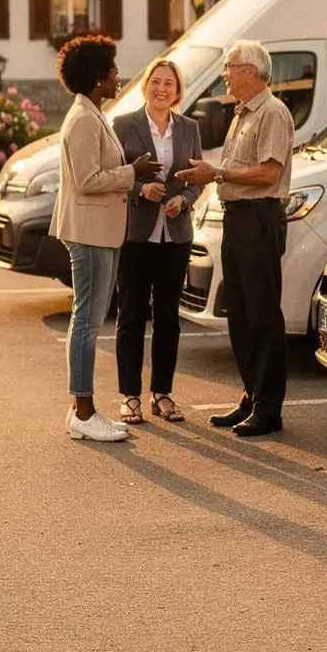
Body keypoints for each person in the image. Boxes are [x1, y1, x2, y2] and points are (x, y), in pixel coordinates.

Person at [176, 39, 294, 437]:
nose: (224, 74)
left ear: (251, 71)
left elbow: (268, 173)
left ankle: (268, 409)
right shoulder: (242, 112)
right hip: (238, 219)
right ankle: (252, 396)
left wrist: (217, 174)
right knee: (240, 315)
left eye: (229, 66)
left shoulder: (272, 112)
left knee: (262, 315)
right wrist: (211, 173)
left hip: (259, 218)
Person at [50, 37, 162, 442]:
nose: (119, 77)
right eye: (113, 71)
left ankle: (83, 410)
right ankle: (83, 412)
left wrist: (131, 169)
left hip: (100, 230)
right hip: (89, 232)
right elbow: (87, 179)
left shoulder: (93, 113)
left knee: (89, 320)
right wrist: (133, 172)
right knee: (86, 322)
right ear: (98, 78)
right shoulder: (83, 117)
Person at [112, 58, 204, 424]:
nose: (161, 88)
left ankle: (162, 394)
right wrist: (140, 189)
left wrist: (185, 200)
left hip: (176, 235)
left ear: (177, 91)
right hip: (136, 234)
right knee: (131, 315)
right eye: (156, 81)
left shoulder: (190, 128)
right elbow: (113, 175)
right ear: (145, 85)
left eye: (169, 83)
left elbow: (197, 179)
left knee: (168, 317)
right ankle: (130, 396)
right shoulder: (124, 124)